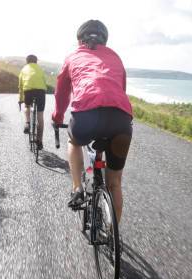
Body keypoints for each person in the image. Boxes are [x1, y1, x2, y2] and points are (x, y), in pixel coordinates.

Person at [52, 20, 133, 222]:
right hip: (120, 119)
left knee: (74, 142)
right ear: (105, 39)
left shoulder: (73, 57)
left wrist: (58, 117)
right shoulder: (114, 56)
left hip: (86, 116)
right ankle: (113, 235)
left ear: (80, 40)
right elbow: (120, 89)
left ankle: (77, 186)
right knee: (114, 182)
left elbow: (61, 93)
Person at [19, 54, 47, 150]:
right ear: (36, 61)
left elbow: (21, 86)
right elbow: (44, 82)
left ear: (27, 61)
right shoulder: (40, 69)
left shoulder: (24, 69)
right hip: (40, 92)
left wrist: (20, 99)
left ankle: (27, 123)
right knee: (40, 115)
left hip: (28, 91)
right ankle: (39, 141)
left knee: (27, 106)